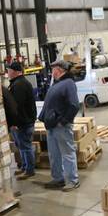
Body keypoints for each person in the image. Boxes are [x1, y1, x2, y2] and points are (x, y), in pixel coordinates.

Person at [38, 60, 79, 191]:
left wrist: (63, 121)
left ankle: (72, 180)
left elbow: (74, 105)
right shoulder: (57, 84)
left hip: (61, 126)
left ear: (60, 70)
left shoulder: (68, 83)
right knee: (54, 154)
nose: (52, 72)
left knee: (67, 153)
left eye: (54, 69)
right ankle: (58, 178)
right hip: (51, 126)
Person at [7, 61, 37, 180]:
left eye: (9, 70)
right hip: (24, 121)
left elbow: (16, 106)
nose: (7, 73)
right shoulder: (18, 83)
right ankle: (25, 167)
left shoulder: (19, 85)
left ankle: (29, 170)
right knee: (22, 146)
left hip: (23, 123)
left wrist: (15, 123)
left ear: (14, 72)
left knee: (25, 146)